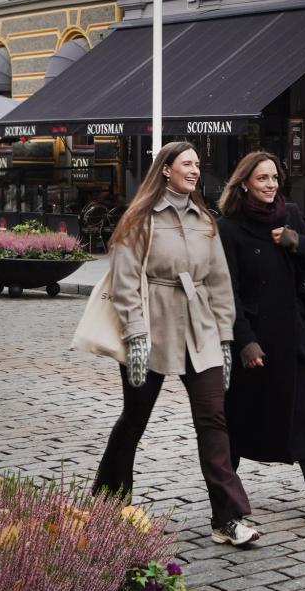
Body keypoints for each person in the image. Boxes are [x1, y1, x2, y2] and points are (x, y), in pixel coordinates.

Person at [93, 141, 258, 547]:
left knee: (213, 420)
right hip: (151, 328)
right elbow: (125, 284)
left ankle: (228, 518)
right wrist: (135, 338)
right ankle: (108, 505)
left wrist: (224, 338)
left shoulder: (205, 219)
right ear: (166, 169)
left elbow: (220, 283)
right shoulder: (139, 219)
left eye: (198, 165)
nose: (195, 171)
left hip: (199, 327)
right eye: (187, 164)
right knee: (134, 420)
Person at [216, 152, 305, 526]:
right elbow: (227, 290)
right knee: (240, 416)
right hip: (255, 338)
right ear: (244, 182)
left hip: (293, 331)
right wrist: (244, 339)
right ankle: (225, 500)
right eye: (262, 179)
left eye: (274, 178)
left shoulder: (289, 214)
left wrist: (295, 241)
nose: (270, 185)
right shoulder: (228, 227)